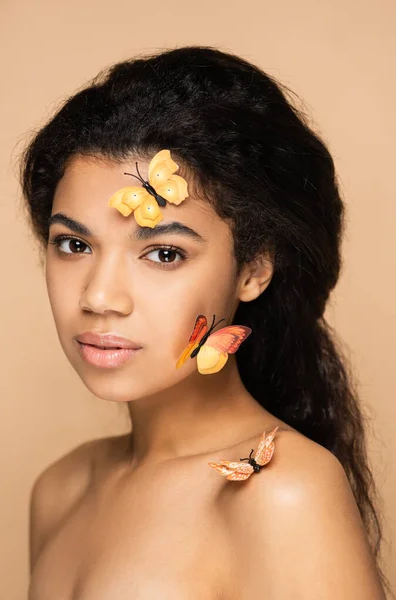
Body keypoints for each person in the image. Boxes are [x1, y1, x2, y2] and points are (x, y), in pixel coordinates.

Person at [20, 45, 390, 599]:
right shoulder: (61, 489)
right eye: (73, 244)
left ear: (254, 270)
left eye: (164, 254)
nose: (99, 296)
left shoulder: (279, 490)